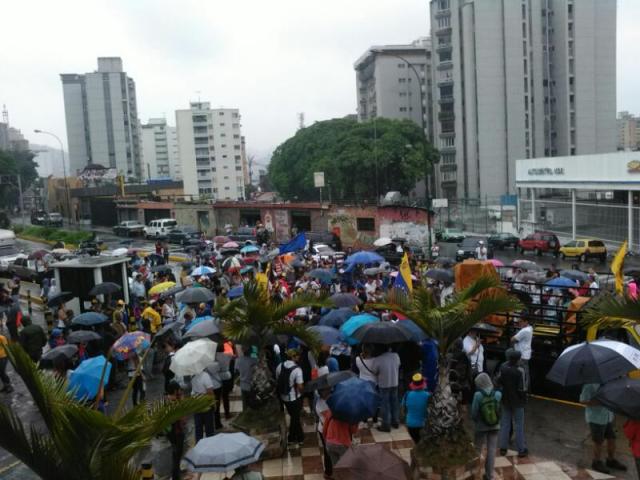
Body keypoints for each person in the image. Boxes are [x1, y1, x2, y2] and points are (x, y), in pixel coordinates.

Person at [580, 383, 627, 474]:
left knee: (612, 439)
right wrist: (600, 401)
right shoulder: (589, 385)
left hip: (608, 417)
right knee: (598, 442)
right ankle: (596, 462)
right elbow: (583, 401)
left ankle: (610, 460)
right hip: (596, 418)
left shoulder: (608, 383)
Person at [496, 349, 527, 457]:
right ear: (517, 359)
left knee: (505, 424)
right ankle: (521, 449)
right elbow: (522, 388)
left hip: (505, 399)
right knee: (519, 424)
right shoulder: (520, 370)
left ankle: (503, 448)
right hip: (518, 402)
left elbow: (498, 380)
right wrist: (524, 399)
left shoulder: (503, 367)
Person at [471, 372, 502, 480]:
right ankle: (489, 476)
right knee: (492, 450)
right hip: (495, 426)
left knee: (477, 450)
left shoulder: (478, 395)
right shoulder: (497, 394)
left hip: (481, 427)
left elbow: (474, 413)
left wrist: (477, 422)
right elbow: (499, 411)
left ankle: (474, 474)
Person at [275, 348, 305, 446]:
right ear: (292, 357)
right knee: (295, 418)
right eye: (297, 355)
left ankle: (299, 436)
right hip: (294, 398)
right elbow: (300, 387)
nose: (298, 357)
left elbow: (277, 379)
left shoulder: (280, 366)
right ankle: (293, 438)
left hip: (283, 397)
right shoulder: (297, 369)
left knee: (294, 416)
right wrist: (302, 393)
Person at [376, 346, 401, 432]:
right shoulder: (396, 356)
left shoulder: (378, 359)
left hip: (384, 384)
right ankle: (395, 421)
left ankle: (386, 424)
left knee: (385, 404)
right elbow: (398, 365)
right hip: (394, 382)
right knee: (394, 402)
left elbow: (375, 370)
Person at [165, 381, 186, 480]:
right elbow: (183, 419)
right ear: (175, 390)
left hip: (169, 433)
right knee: (177, 456)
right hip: (177, 432)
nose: (180, 391)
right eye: (178, 390)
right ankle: (175, 476)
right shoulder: (176, 402)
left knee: (175, 454)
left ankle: (175, 474)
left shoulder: (166, 399)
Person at [402, 373, 431, 444]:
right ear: (423, 383)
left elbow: (403, 409)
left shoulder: (407, 394)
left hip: (410, 425)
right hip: (423, 425)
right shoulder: (428, 396)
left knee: (416, 442)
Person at [191, 367, 216, 441]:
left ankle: (199, 446)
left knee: (198, 428)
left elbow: (193, 391)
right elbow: (210, 392)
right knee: (209, 428)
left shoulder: (193, 376)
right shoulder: (205, 376)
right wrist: (214, 404)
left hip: (196, 404)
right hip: (206, 404)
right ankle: (210, 446)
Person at [510, 315, 532, 391]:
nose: (519, 323)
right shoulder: (530, 328)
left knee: (521, 375)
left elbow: (512, 339)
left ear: (526, 322)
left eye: (521, 321)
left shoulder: (524, 331)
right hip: (525, 355)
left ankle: (522, 390)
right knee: (525, 374)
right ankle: (525, 390)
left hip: (521, 356)